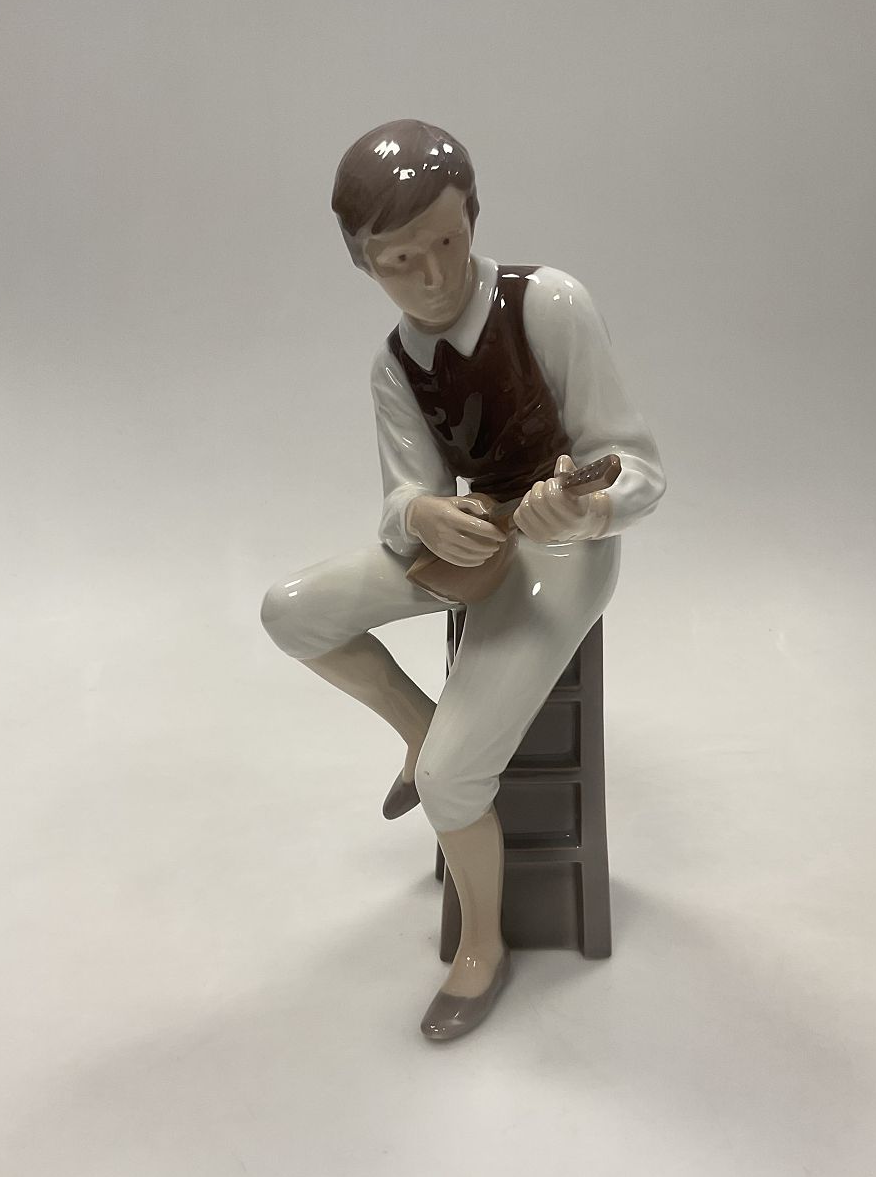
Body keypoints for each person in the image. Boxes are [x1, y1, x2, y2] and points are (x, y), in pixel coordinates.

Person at [261, 118, 665, 1042]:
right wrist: (420, 516)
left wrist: (588, 511)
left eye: (447, 241)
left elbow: (638, 466)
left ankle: (483, 944)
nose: (434, 276)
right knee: (291, 613)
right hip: (473, 537)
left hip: (563, 549)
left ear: (473, 215)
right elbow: (404, 489)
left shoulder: (548, 303)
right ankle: (417, 728)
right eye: (401, 261)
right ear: (365, 265)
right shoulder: (393, 366)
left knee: (451, 780)